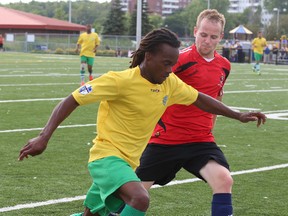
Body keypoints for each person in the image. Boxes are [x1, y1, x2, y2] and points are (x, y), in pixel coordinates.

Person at [19, 28, 266, 216]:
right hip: (106, 159)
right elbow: (71, 100)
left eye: (173, 64)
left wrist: (238, 114)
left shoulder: (169, 83)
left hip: (128, 163)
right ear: (149, 56)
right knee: (140, 199)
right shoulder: (120, 81)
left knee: (92, 214)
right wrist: (44, 136)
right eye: (166, 63)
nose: (171, 70)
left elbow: (199, 99)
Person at [135, 9, 264, 216]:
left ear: (221, 37)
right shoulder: (179, 60)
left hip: (200, 141)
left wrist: (209, 126)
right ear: (195, 31)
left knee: (224, 179)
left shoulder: (224, 65)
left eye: (213, 37)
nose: (207, 41)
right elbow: (148, 84)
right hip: (166, 139)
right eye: (203, 35)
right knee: (135, 194)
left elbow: (216, 98)